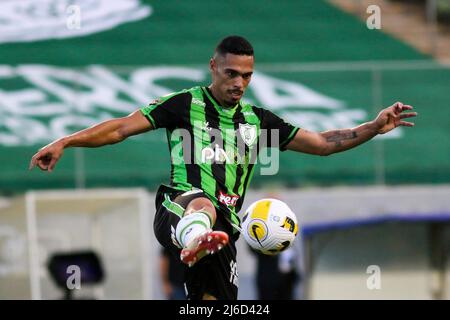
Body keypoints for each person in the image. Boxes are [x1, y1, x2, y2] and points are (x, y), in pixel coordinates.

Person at [29, 35, 417, 300]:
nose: (239, 82)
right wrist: (66, 140)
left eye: (246, 75)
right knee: (205, 206)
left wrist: (372, 128)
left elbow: (322, 144)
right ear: (213, 67)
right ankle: (193, 237)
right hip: (179, 208)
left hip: (224, 235)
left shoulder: (258, 120)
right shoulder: (184, 104)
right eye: (231, 73)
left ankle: (203, 243)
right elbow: (119, 129)